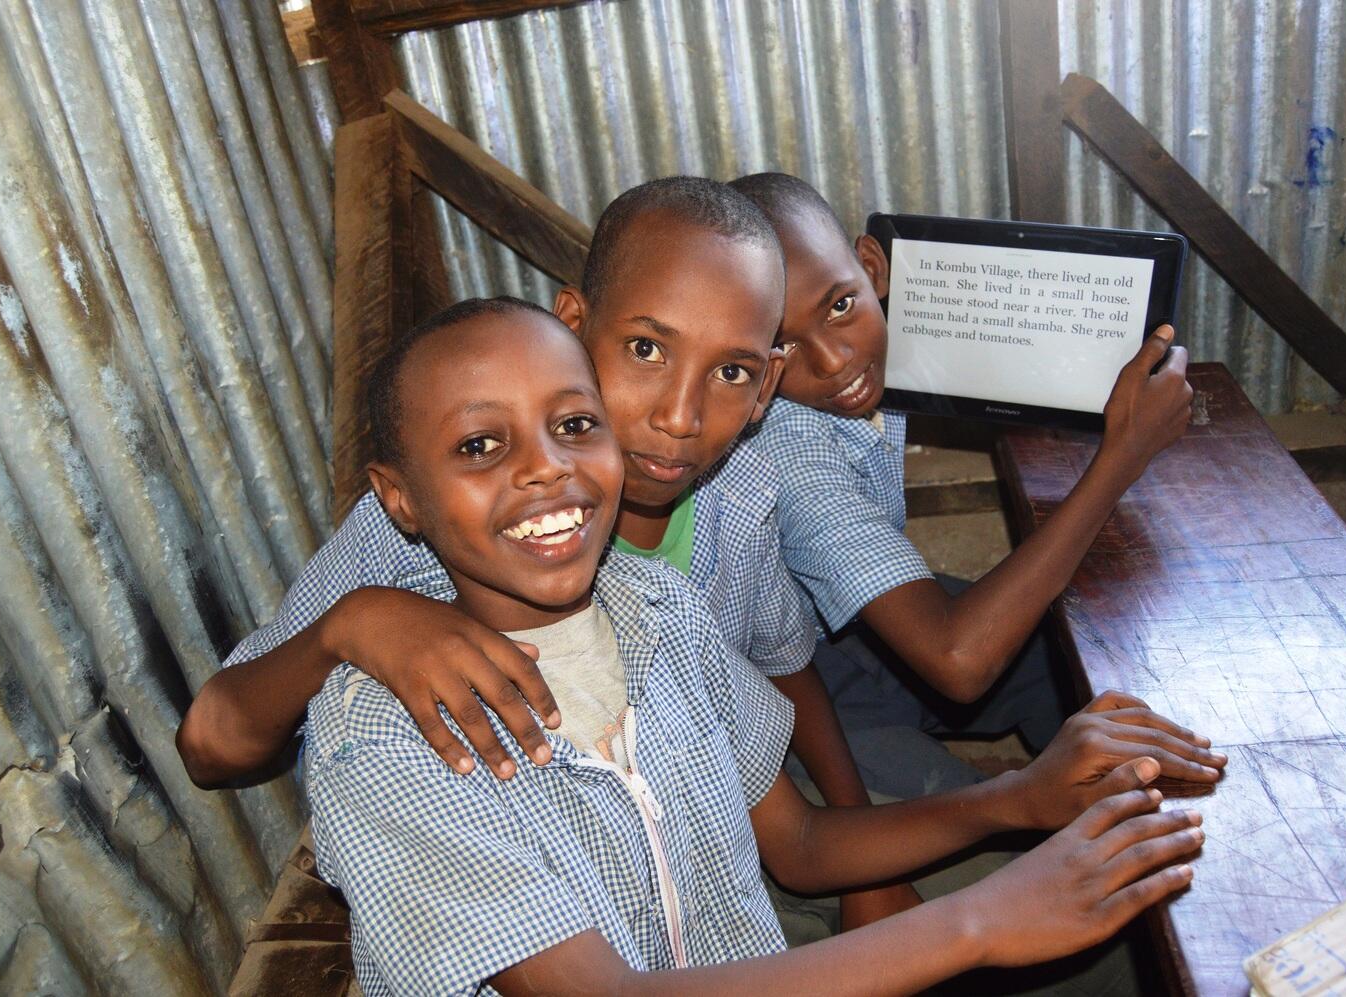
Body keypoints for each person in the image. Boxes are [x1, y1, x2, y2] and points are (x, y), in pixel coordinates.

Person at [305, 295, 1207, 995]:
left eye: (574, 425)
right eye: (479, 444)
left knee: (1138, 940)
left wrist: (1017, 797)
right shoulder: (384, 742)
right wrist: (977, 922)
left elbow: (801, 843)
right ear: (400, 498)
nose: (546, 466)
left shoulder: (657, 609)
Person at [179, 177, 919, 927]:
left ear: (764, 387)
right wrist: (353, 623)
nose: (679, 417)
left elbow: (785, 666)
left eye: (730, 372)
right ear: (574, 325)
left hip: (701, 828)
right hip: (525, 888)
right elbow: (210, 744)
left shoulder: (743, 493)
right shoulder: (442, 518)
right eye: (645, 350)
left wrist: (863, 859)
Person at [730, 173, 1212, 801]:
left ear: (873, 268)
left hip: (860, 633)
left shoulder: (889, 339)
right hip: (789, 691)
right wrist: (1123, 455)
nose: (833, 360)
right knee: (989, 826)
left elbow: (1031, 329)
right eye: (781, 343)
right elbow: (959, 662)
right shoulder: (788, 449)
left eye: (840, 305)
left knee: (1069, 657)